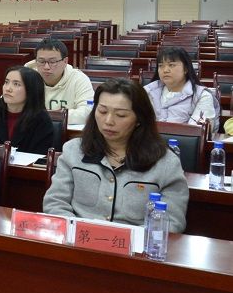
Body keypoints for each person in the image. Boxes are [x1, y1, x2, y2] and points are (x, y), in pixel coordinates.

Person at [44, 78, 188, 231]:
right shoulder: (74, 151)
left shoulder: (166, 162)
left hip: (137, 244)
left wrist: (131, 240)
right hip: (79, 239)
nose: (108, 121)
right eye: (102, 111)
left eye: (121, 115)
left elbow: (172, 221)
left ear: (139, 119)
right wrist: (77, 233)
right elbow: (55, 203)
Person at [0, 66, 55, 153]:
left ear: (31, 90)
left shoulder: (41, 120)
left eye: (16, 84)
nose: (8, 88)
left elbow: (40, 156)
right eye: (6, 82)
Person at [144, 46, 219, 131]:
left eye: (171, 65)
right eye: (161, 66)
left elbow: (196, 132)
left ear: (186, 69)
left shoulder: (202, 96)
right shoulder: (148, 91)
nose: (165, 70)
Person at [25, 37, 94, 121]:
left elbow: (88, 112)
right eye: (41, 61)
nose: (46, 67)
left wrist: (43, 116)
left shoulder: (79, 79)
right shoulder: (27, 77)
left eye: (52, 62)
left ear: (65, 61)